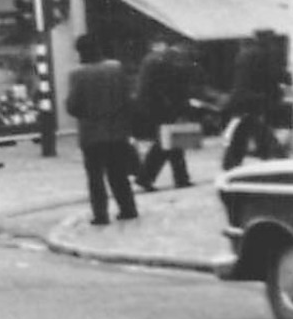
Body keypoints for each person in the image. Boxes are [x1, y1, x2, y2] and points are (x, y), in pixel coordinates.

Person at [64, 34, 139, 226]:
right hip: (117, 131)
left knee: (95, 177)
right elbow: (127, 99)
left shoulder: (77, 74)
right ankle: (128, 208)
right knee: (118, 173)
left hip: (91, 134)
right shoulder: (115, 68)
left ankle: (101, 214)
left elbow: (72, 106)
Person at [134, 38, 196, 191]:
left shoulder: (154, 58)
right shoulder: (167, 59)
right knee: (165, 142)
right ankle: (146, 177)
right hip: (164, 107)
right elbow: (169, 85)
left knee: (173, 141)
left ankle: (181, 177)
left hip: (154, 106)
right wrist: (180, 106)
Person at [222, 28, 286, 170]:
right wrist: (277, 93)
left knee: (244, 131)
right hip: (255, 99)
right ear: (266, 39)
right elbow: (272, 77)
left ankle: (231, 164)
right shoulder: (264, 54)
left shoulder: (245, 53)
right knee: (258, 131)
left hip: (242, 98)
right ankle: (276, 160)